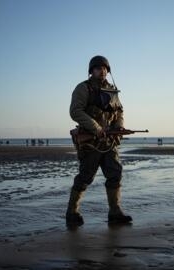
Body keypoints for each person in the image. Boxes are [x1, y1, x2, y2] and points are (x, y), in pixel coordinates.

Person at [66, 55, 132, 226]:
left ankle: (115, 211)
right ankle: (72, 212)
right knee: (85, 177)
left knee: (115, 173)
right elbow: (75, 111)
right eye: (98, 68)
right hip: (91, 142)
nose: (102, 71)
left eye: (104, 68)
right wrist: (96, 128)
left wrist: (119, 127)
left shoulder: (112, 90)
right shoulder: (83, 88)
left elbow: (119, 111)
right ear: (91, 71)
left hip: (109, 142)